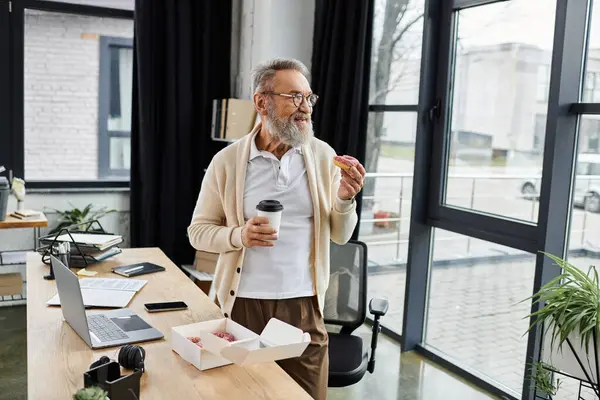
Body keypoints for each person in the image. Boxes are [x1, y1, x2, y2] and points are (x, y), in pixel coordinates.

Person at [187, 58, 365, 399]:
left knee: (308, 394)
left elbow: (340, 235)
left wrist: (344, 199)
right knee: (240, 393)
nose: (305, 109)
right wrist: (239, 235)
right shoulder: (226, 162)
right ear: (261, 102)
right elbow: (199, 232)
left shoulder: (323, 156)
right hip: (242, 305)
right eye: (294, 97)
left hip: (303, 305)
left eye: (309, 99)